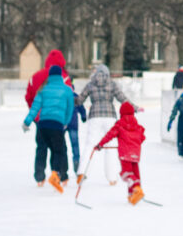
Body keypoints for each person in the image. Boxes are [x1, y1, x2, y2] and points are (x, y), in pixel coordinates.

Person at [76, 64, 136, 186]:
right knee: (111, 147)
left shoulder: (91, 83)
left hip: (94, 117)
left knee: (90, 145)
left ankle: (82, 173)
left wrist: (70, 99)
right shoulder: (112, 84)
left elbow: (79, 100)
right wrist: (135, 107)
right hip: (110, 117)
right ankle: (112, 177)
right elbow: (122, 98)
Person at [23, 64, 74, 193]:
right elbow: (70, 110)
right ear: (61, 76)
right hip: (56, 125)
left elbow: (35, 107)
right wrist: (65, 123)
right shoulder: (67, 90)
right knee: (60, 150)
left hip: (42, 125)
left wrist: (27, 122)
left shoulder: (43, 89)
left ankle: (46, 176)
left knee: (48, 148)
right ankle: (56, 175)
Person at [95, 102, 146, 205]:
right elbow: (142, 137)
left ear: (121, 113)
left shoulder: (119, 124)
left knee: (126, 174)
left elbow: (110, 135)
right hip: (135, 153)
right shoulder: (137, 125)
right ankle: (133, 194)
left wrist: (100, 144)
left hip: (124, 154)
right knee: (135, 174)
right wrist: (135, 144)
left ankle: (135, 187)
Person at [66, 88, 87, 180]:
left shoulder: (61, 93)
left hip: (62, 123)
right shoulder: (75, 96)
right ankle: (77, 167)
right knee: (75, 146)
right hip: (73, 124)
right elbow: (81, 108)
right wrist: (83, 116)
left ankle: (60, 170)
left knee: (61, 147)